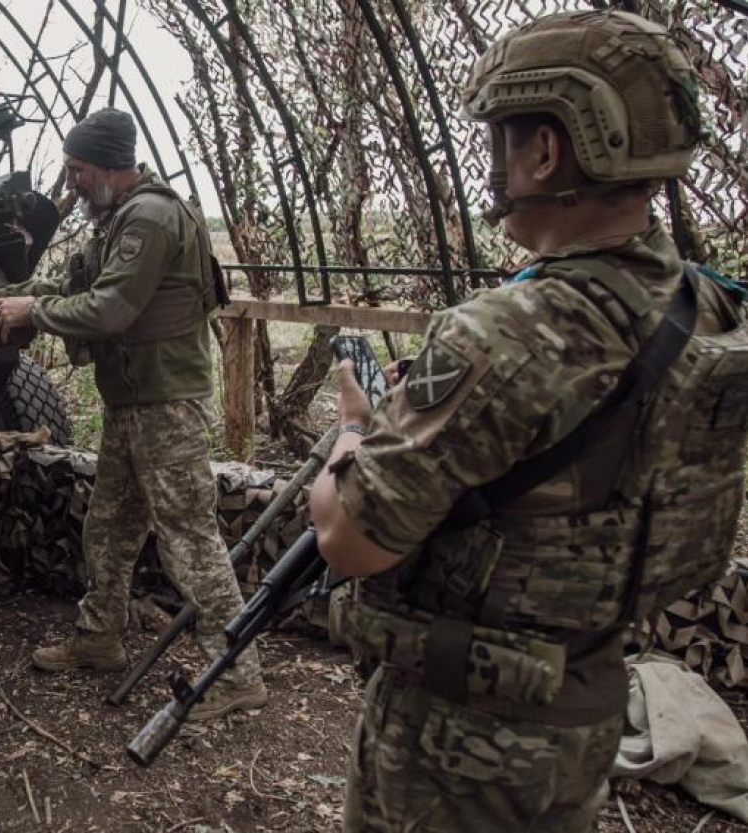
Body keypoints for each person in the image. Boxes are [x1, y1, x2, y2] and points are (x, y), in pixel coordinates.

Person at [309, 10, 745, 830]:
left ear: (546, 151)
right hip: (584, 701)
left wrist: (353, 431)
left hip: (460, 741)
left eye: (502, 139)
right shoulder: (706, 303)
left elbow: (351, 540)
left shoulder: (506, 330)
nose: (494, 164)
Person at [0, 108, 266, 720]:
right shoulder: (117, 218)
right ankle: (99, 636)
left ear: (111, 166)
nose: (71, 184)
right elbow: (73, 287)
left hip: (165, 404)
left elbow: (111, 308)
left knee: (190, 543)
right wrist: (0, 298)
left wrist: (28, 316)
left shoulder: (150, 216)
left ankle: (237, 671)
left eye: (77, 171)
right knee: (110, 526)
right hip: (132, 402)